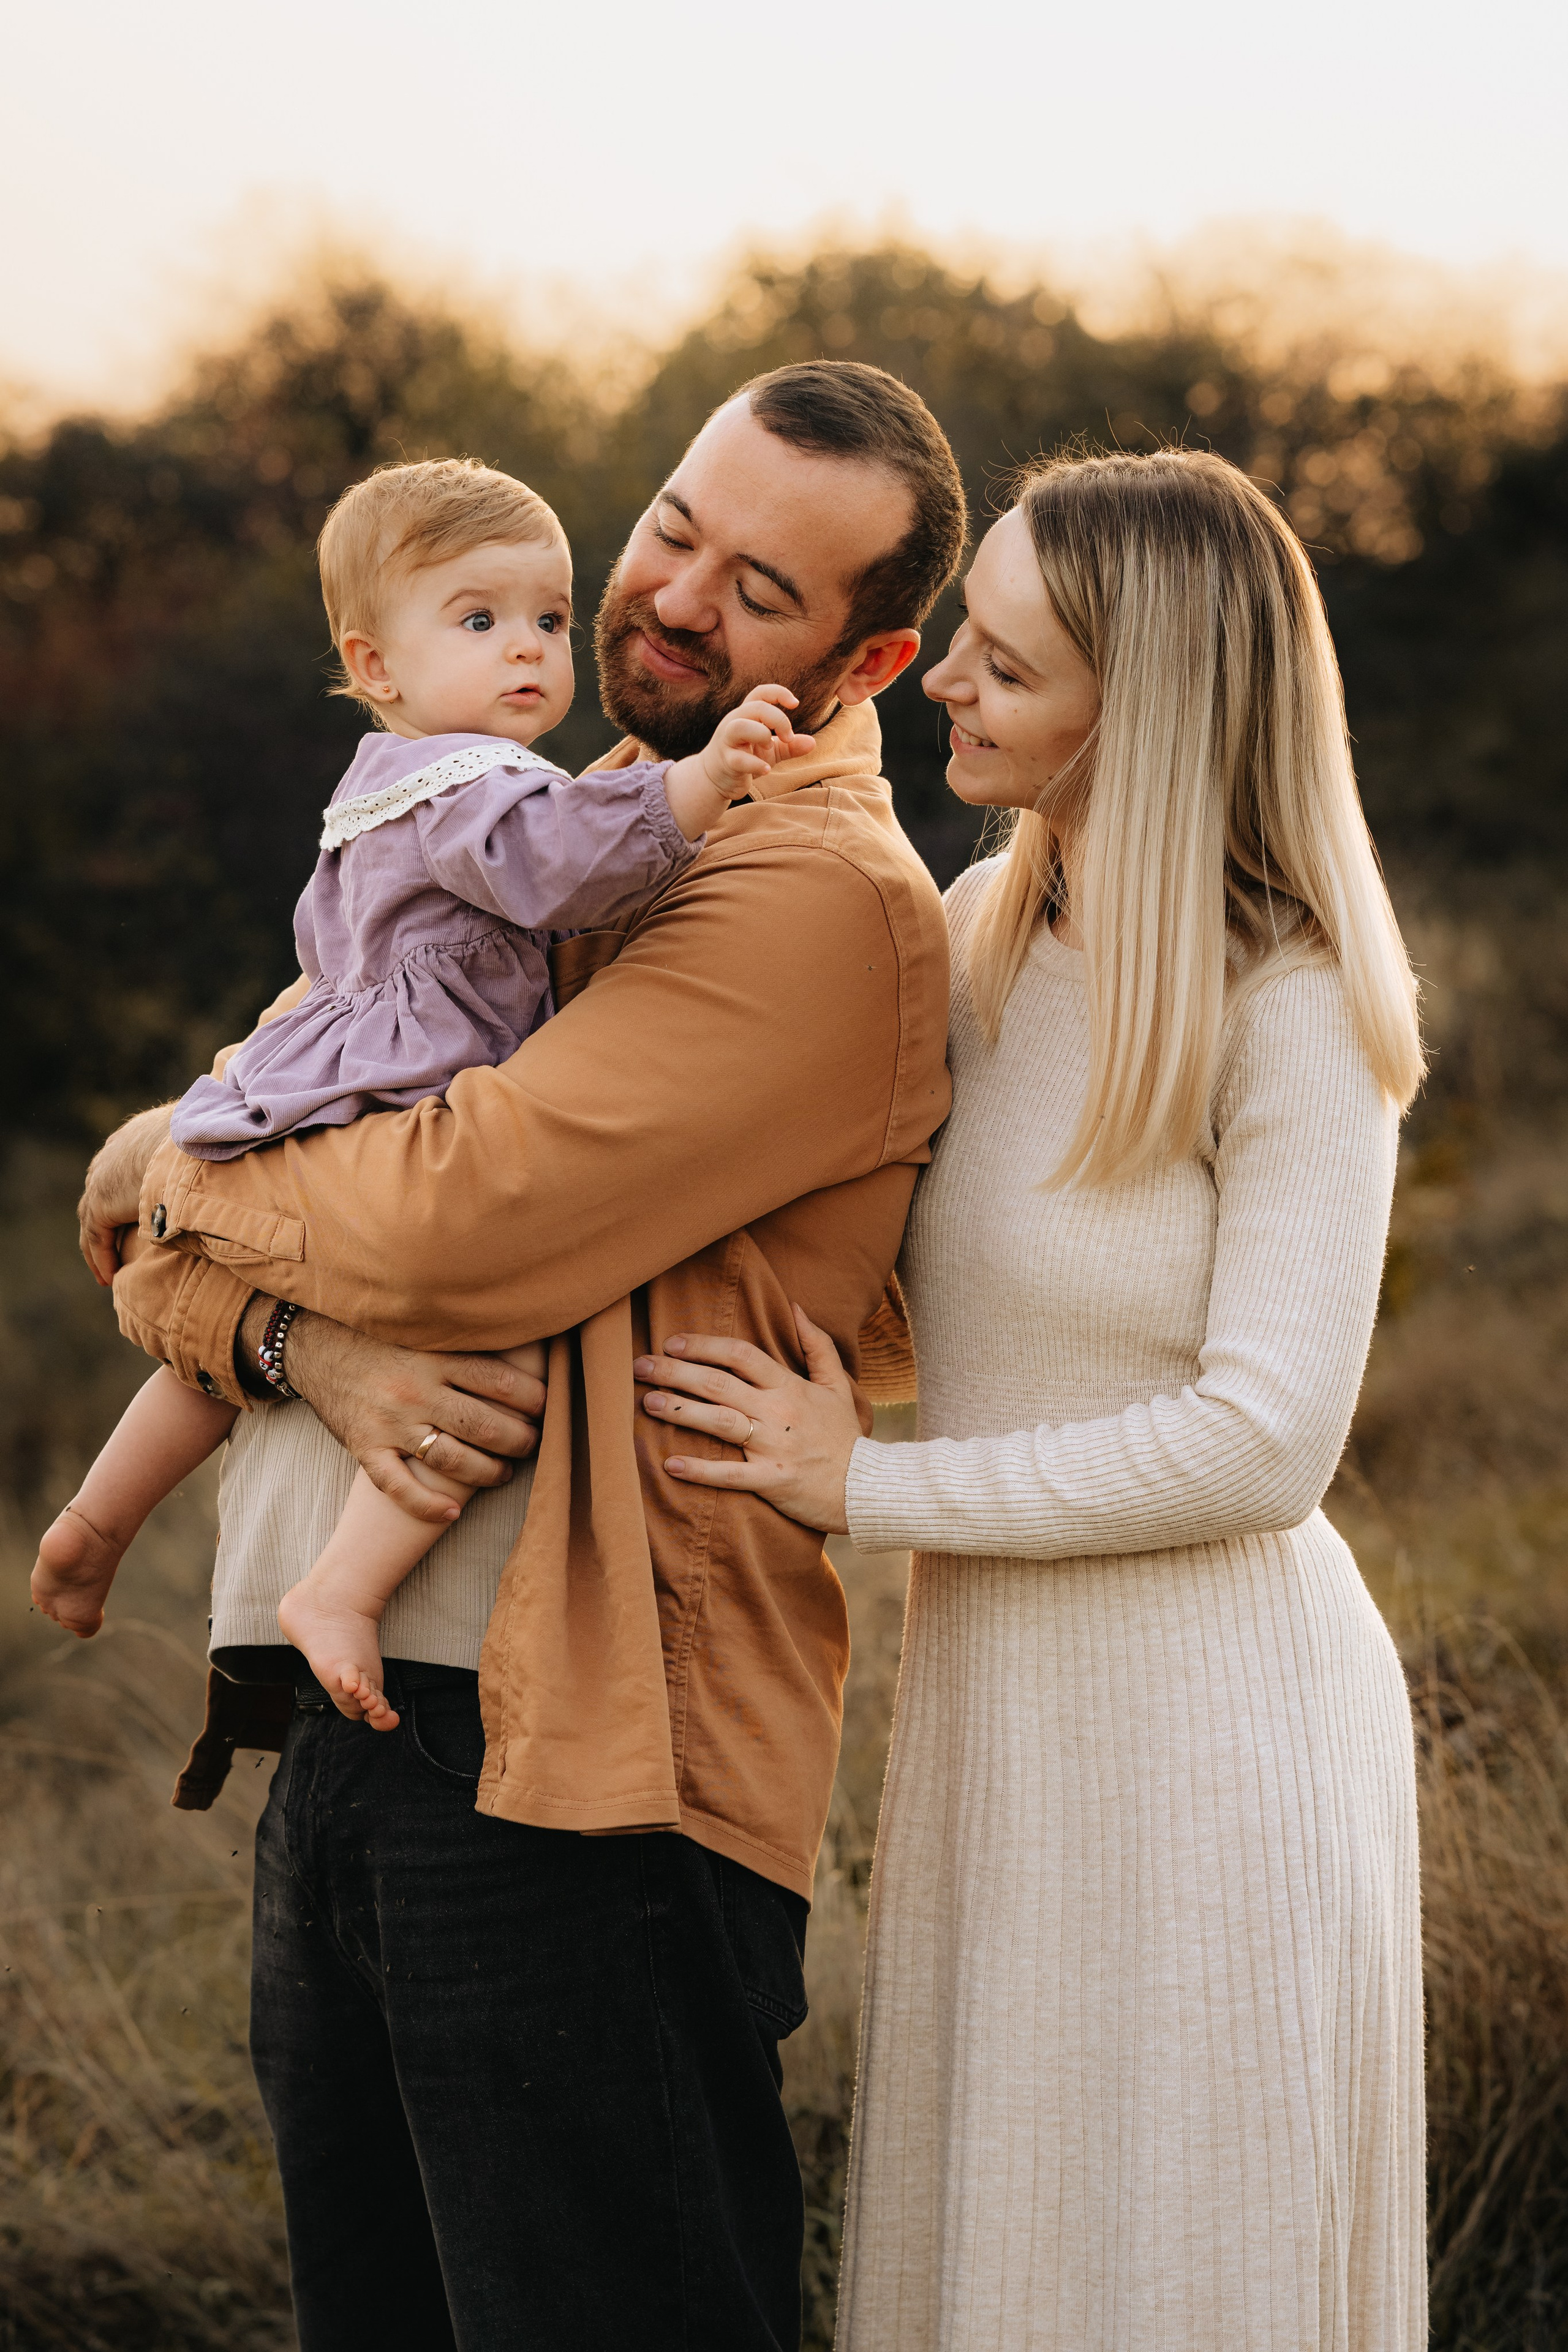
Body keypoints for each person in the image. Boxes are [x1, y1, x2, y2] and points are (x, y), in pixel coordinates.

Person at [75, 361, 963, 2352]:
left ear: (872, 653)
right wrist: (298, 1330)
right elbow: (176, 1239)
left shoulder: (811, 897)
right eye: (673, 527)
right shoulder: (507, 835)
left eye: (761, 592)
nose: (671, 601)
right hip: (367, 1735)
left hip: (584, 1783)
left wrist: (182, 1157)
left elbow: (443, 1216)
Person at [632, 448, 1428, 2350]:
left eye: (1004, 664)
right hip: (1003, 1712)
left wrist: (866, 1486)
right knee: (1009, 2248)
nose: (942, 684)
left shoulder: (1294, 1000)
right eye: (963, 637)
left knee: (1171, 2269)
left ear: (1136, 711)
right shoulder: (979, 929)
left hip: (1216, 1732)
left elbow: (1266, 1442)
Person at [34, 454, 815, 1728]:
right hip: (407, 1098)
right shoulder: (472, 784)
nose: (527, 650)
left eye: (549, 620)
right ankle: (343, 1588)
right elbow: (566, 870)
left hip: (321, 1084)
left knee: (222, 1346)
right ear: (378, 665)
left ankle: (93, 1522)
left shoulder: (384, 778)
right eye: (478, 620)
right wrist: (702, 784)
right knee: (493, 1349)